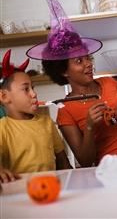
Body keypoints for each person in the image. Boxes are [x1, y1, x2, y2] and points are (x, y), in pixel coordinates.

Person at [26, 0, 117, 167]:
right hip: (111, 173)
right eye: (79, 61)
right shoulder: (65, 111)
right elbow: (85, 161)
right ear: (63, 71)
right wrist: (90, 127)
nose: (88, 64)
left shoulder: (109, 82)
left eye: (88, 57)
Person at [0, 49, 71, 183]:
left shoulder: (46, 122)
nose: (34, 94)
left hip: (51, 190)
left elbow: (63, 162)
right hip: (18, 195)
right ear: (4, 96)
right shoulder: (2, 128)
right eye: (26, 89)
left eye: (33, 88)